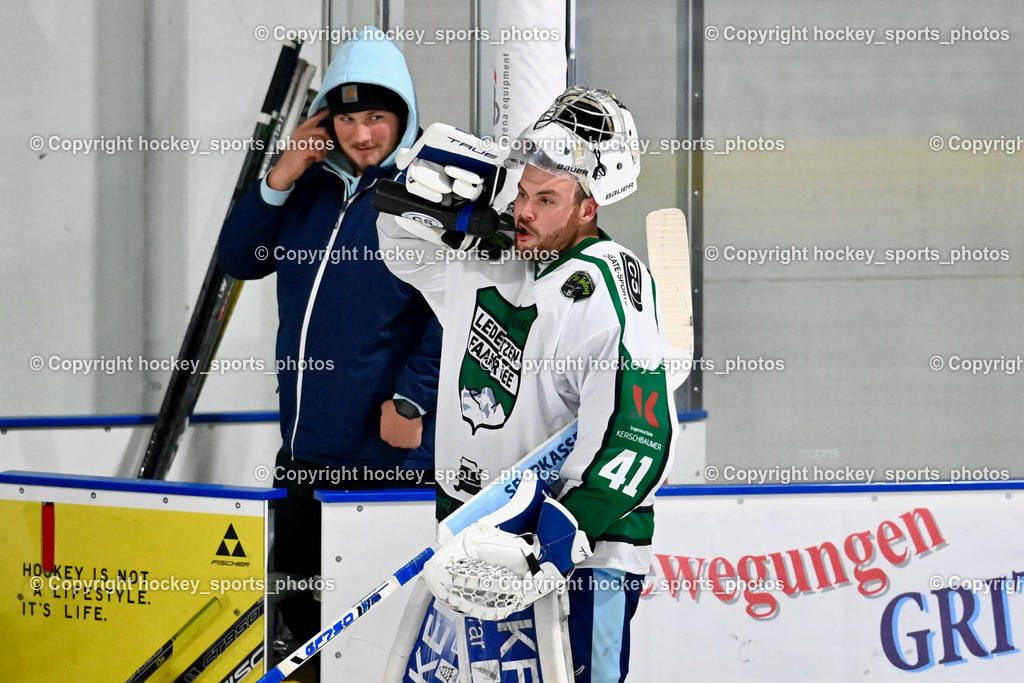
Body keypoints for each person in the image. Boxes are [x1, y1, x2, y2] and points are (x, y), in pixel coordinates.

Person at [377, 87, 676, 682]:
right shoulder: (485, 257)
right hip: (472, 540)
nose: (525, 210)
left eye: (546, 198)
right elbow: (396, 237)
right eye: (522, 192)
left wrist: (562, 532)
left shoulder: (607, 289)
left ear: (589, 207)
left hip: (579, 555)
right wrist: (467, 211)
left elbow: (639, 437)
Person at [217, 28, 440, 673]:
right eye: (347, 118)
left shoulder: (426, 196)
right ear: (325, 121)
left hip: (387, 456)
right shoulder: (309, 189)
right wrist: (283, 172)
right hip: (305, 449)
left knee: (380, 632)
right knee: (303, 626)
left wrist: (413, 396)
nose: (362, 134)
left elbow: (455, 310)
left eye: (377, 117)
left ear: (403, 116)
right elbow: (239, 258)